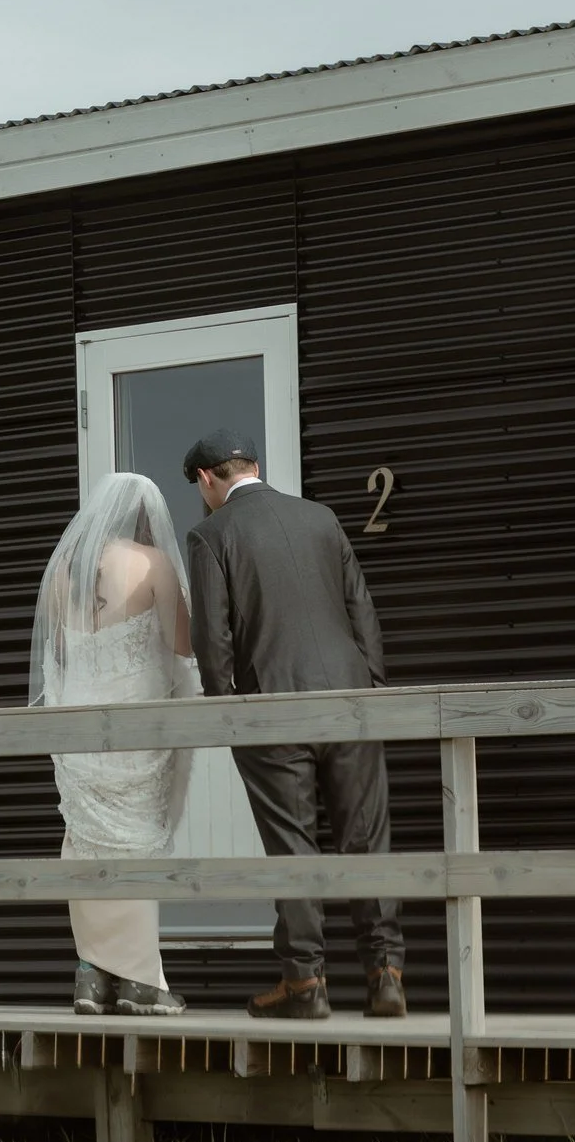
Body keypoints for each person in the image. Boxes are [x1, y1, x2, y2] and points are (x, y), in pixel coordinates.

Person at [181, 430, 406, 1021]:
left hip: (271, 708)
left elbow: (213, 637)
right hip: (351, 701)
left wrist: (227, 709)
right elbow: (362, 609)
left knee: (292, 844)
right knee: (366, 839)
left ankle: (305, 984)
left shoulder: (210, 535)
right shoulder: (320, 518)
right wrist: (374, 691)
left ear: (207, 479)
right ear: (255, 465)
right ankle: (386, 975)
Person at [30, 472, 199, 1017]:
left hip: (77, 727)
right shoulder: (154, 563)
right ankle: (137, 983)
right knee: (136, 842)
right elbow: (182, 643)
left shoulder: (65, 570)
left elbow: (57, 649)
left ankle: (91, 977)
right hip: (134, 726)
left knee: (85, 841)